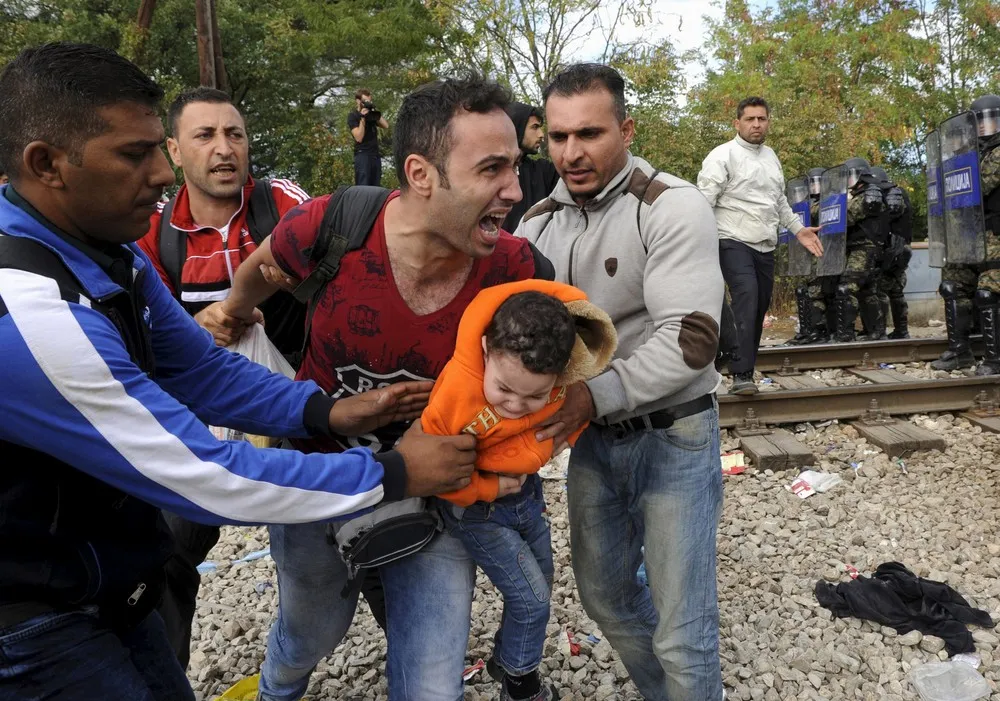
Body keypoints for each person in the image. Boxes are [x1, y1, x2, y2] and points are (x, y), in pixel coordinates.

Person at [0, 42, 477, 701]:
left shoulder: (108, 255)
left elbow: (205, 373)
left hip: (106, 578)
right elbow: (208, 476)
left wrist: (323, 410)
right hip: (32, 618)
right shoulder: (33, 316)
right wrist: (397, 472)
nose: (164, 174)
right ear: (46, 164)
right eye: (136, 154)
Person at [221, 74, 555, 701]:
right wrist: (232, 313)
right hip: (316, 480)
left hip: (435, 499)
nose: (515, 190)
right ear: (421, 173)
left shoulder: (516, 269)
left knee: (433, 683)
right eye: (492, 169)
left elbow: (549, 379)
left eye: (515, 166)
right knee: (307, 635)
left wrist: (524, 445)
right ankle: (276, 690)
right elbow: (257, 274)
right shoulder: (332, 225)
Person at [517, 62, 725, 701]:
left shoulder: (671, 205)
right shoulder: (536, 224)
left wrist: (589, 395)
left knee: (684, 629)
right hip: (596, 441)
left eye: (590, 134)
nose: (572, 153)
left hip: (675, 437)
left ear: (626, 129)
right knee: (606, 600)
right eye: (557, 137)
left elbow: (693, 343)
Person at [134, 87, 325, 666]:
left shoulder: (282, 202)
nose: (224, 149)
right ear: (173, 150)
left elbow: (343, 271)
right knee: (166, 551)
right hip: (205, 418)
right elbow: (139, 336)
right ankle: (166, 676)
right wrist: (194, 325)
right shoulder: (152, 233)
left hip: (303, 400)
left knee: (353, 533)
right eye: (205, 136)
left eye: (235, 134)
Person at [426, 280, 616, 701]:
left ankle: (504, 657)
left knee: (541, 583)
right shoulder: (458, 389)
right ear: (485, 351)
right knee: (531, 600)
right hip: (476, 510)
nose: (514, 405)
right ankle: (519, 683)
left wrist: (563, 438)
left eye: (535, 396)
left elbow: (571, 414)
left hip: (528, 500)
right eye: (505, 390)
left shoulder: (558, 380)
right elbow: (434, 471)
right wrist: (487, 485)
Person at [697, 96, 822, 395]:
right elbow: (703, 199)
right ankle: (742, 374)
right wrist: (695, 240)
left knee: (758, 306)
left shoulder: (771, 157)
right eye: (750, 119)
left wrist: (798, 230)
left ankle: (728, 359)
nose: (756, 124)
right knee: (747, 297)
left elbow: (778, 201)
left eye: (761, 119)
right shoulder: (722, 155)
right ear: (737, 123)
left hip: (765, 244)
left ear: (768, 122)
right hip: (731, 238)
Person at [931, 94, 1000, 373]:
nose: (984, 127)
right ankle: (959, 352)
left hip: (997, 235)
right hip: (969, 236)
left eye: (990, 120)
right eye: (978, 122)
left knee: (987, 294)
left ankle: (995, 359)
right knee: (952, 285)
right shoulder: (968, 155)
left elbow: (980, 183)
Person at [830, 158, 886, 342]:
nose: (847, 180)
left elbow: (847, 217)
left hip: (865, 248)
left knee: (846, 288)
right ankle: (876, 332)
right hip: (861, 247)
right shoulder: (861, 193)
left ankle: (845, 334)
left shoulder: (869, 194)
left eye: (850, 176)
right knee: (867, 291)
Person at [787, 167, 831, 345]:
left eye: (817, 181)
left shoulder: (828, 201)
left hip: (822, 252)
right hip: (806, 254)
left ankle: (819, 331)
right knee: (803, 291)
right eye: (811, 182)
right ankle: (807, 330)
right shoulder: (806, 203)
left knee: (817, 293)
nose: (814, 186)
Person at [502, 102, 559, 232]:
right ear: (517, 127)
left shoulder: (543, 171)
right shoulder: (489, 171)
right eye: (534, 127)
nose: (541, 134)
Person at [870, 166, 912, 339]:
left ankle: (880, 332)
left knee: (879, 290)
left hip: (892, 251)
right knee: (896, 291)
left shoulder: (890, 195)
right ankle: (902, 331)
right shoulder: (901, 193)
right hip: (902, 250)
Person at [347, 88, 389, 186]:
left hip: (375, 155)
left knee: (376, 186)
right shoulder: (353, 116)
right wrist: (363, 118)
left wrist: (373, 109)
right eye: (365, 101)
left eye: (369, 101)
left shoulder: (371, 114)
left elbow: (386, 125)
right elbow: (358, 138)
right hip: (363, 155)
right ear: (358, 101)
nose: (367, 103)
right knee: (363, 186)